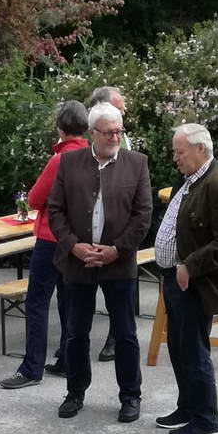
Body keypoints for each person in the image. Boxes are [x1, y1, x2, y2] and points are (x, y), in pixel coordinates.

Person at [47, 103, 152, 423]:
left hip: (118, 263)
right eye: (108, 133)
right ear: (92, 133)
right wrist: (74, 246)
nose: (115, 138)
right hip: (77, 262)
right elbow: (55, 210)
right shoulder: (69, 162)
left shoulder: (137, 163)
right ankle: (75, 392)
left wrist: (117, 250)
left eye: (119, 131)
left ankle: (130, 396)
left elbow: (143, 215)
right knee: (76, 332)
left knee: (126, 333)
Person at [154, 124, 218, 434]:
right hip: (174, 278)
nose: (175, 158)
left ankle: (207, 420)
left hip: (195, 282)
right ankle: (188, 407)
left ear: (200, 149)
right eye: (175, 152)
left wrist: (190, 266)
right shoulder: (190, 178)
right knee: (179, 347)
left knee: (194, 349)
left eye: (180, 152)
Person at [0, 101, 90, 390]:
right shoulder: (91, 156)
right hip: (77, 239)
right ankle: (67, 359)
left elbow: (35, 199)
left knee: (38, 302)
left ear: (60, 126)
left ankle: (31, 367)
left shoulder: (60, 160)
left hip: (51, 238)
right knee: (68, 301)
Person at [86, 86, 137, 364]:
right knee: (79, 301)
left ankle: (114, 338)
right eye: (118, 108)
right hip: (86, 244)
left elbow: (139, 206)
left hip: (118, 243)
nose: (123, 112)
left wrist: (119, 246)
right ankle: (72, 348)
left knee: (120, 304)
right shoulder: (83, 151)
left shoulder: (124, 144)